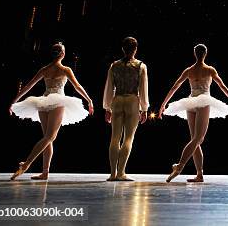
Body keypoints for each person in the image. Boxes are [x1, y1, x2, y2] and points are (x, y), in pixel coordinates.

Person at [9, 42, 93, 180]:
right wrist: (89, 100)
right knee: (50, 137)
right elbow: (77, 86)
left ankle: (45, 172)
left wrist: (14, 100)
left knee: (47, 138)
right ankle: (26, 164)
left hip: (44, 102)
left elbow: (28, 86)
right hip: (58, 101)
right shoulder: (66, 69)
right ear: (63, 54)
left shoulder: (44, 69)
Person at [160, 44, 228, 183]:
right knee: (198, 138)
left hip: (190, 103)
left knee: (195, 140)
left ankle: (199, 175)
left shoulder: (189, 70)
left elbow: (175, 87)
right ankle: (179, 166)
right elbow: (222, 86)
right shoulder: (209, 70)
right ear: (205, 54)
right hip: (202, 101)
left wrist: (163, 104)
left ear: (194, 54)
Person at [103, 36, 149, 181]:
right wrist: (144, 108)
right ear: (135, 49)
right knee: (128, 137)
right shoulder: (141, 65)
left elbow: (109, 88)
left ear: (123, 49)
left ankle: (112, 174)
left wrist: (107, 107)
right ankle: (121, 172)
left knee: (115, 137)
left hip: (117, 100)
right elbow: (143, 89)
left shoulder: (114, 65)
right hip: (132, 100)